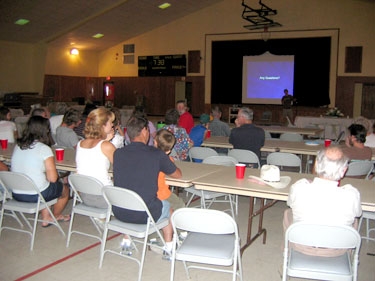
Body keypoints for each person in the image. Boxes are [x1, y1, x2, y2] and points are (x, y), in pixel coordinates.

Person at [113, 116, 182, 257]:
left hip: (120, 212)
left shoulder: (118, 153)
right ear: (144, 131)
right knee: (168, 208)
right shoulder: (156, 154)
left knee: (132, 195)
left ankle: (127, 243)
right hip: (145, 214)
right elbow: (177, 175)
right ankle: (169, 248)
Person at [284, 146, 362, 257]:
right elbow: (358, 213)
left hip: (302, 244)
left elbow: (290, 203)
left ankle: (289, 250)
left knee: (288, 212)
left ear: (316, 165)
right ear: (344, 170)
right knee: (354, 219)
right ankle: (348, 255)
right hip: (338, 248)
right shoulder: (352, 194)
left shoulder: (299, 187)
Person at [10, 116, 70, 226]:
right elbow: (53, 179)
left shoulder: (18, 146)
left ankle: (46, 217)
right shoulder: (44, 149)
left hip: (16, 193)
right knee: (64, 189)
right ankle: (54, 215)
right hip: (36, 194)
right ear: (45, 130)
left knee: (43, 183)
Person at [76, 107, 116, 208]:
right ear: (103, 126)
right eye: (111, 122)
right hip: (105, 197)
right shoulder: (106, 146)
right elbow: (122, 167)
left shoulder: (80, 143)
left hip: (85, 196)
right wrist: (107, 142)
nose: (112, 125)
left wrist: (106, 140)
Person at [154, 129, 185, 211]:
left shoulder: (147, 154)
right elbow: (178, 175)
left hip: (145, 194)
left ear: (155, 142)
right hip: (160, 194)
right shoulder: (165, 160)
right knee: (180, 204)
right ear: (168, 151)